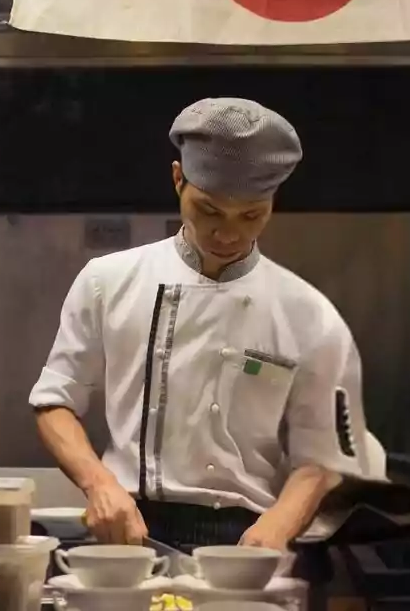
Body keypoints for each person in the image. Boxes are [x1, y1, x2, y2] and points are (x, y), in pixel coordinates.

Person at [28, 97, 378, 553]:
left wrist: (278, 527)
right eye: (209, 210)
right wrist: (98, 485)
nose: (229, 234)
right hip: (129, 529)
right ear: (178, 179)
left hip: (249, 538)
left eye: (251, 216)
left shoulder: (307, 313)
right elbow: (54, 402)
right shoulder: (107, 281)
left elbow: (321, 455)